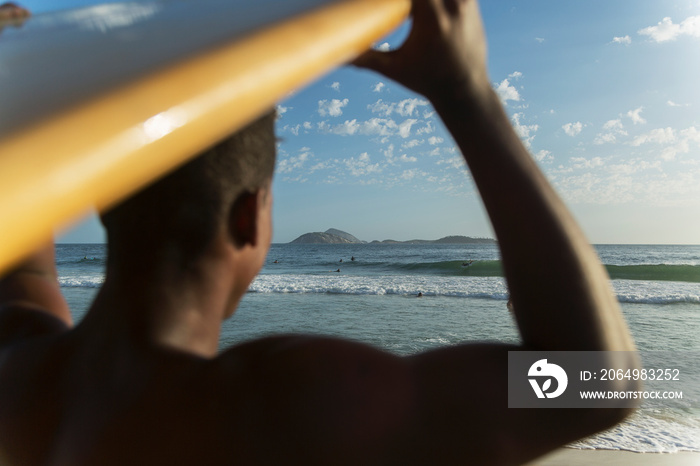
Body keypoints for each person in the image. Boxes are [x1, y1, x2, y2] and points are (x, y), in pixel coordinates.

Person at [0, 0, 639, 464]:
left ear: (106, 208)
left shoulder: (20, 370)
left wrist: (17, 77)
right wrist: (465, 90)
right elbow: (594, 381)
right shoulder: (279, 407)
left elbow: (24, 269)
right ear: (250, 218)